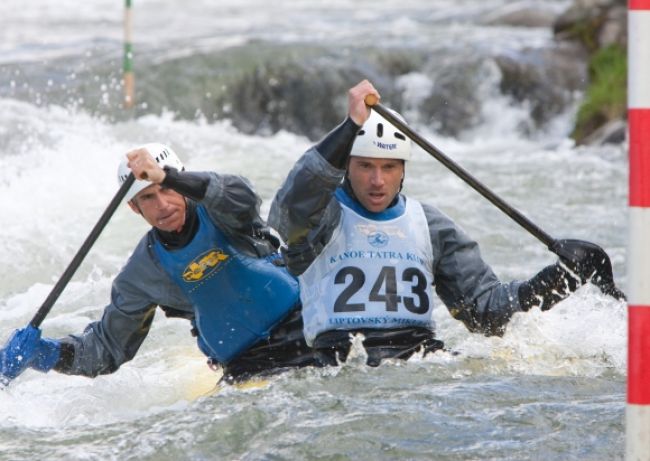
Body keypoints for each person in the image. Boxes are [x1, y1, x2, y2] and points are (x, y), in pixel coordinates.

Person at [268, 79, 621, 366]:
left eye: (388, 167)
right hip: (339, 363)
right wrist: (351, 126)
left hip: (421, 362)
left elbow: (489, 312)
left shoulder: (431, 226)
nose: (377, 180)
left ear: (403, 170)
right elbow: (290, 207)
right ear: (347, 167)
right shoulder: (320, 218)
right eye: (365, 166)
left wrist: (561, 278)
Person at [0, 143, 319, 386]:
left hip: (309, 328)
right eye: (148, 198)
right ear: (134, 208)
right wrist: (47, 353)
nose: (163, 205)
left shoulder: (223, 210)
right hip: (246, 364)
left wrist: (167, 175)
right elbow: (107, 348)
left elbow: (244, 196)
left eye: (167, 188)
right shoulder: (142, 273)